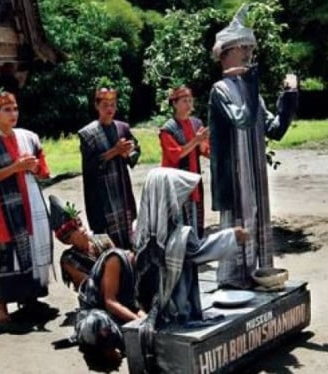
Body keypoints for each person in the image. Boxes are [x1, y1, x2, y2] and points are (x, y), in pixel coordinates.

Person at [209, 4, 298, 289]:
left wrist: (289, 96)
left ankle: (256, 279)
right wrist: (251, 82)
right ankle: (234, 284)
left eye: (250, 48)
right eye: (242, 48)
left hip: (255, 178)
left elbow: (275, 129)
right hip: (235, 180)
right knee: (238, 230)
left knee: (256, 223)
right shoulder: (220, 91)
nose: (248, 54)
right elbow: (243, 120)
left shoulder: (252, 94)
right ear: (227, 54)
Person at [0, 87, 53, 326]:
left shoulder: (29, 137)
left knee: (32, 247)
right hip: (3, 208)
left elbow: (44, 171)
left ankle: (31, 298)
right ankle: (2, 309)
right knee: (8, 253)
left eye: (15, 108)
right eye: (7, 109)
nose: (13, 114)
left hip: (30, 201)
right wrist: (15, 168)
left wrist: (33, 168)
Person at [133, 168, 248, 326]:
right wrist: (233, 236)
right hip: (175, 307)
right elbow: (199, 250)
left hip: (151, 305)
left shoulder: (140, 231)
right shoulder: (178, 235)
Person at [78, 87, 140, 249]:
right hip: (101, 197)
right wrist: (114, 152)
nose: (109, 109)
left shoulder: (122, 128)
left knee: (129, 240)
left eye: (113, 104)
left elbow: (135, 152)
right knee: (107, 246)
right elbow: (89, 167)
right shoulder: (88, 134)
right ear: (97, 106)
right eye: (105, 105)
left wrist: (127, 154)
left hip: (122, 191)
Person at [74, 248, 143, 362]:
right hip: (99, 313)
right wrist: (139, 322)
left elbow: (136, 306)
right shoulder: (116, 259)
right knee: (97, 323)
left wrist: (147, 320)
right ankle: (107, 345)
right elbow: (110, 302)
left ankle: (117, 343)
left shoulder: (145, 270)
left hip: (120, 318)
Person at [159, 86, 210, 237]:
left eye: (190, 100)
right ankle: (181, 256)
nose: (188, 104)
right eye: (184, 101)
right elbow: (176, 155)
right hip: (176, 183)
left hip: (194, 180)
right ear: (174, 104)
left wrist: (202, 142)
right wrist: (196, 140)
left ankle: (194, 252)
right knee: (178, 223)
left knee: (195, 218)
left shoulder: (196, 124)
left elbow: (205, 151)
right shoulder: (167, 129)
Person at [49, 195, 114, 291]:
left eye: (80, 224)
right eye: (75, 229)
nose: (82, 229)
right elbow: (88, 286)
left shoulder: (104, 239)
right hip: (94, 298)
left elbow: (120, 263)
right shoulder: (69, 259)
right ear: (68, 239)